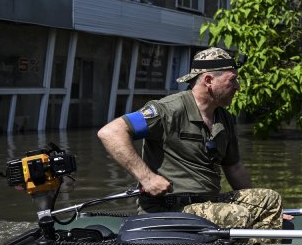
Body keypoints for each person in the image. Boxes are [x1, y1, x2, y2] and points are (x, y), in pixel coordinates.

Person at [97, 47, 283, 230]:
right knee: (236, 215)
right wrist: (147, 178)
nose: (237, 87)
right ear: (209, 80)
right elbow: (111, 132)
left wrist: (262, 210)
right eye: (232, 80)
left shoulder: (224, 117)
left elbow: (233, 167)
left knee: (269, 200)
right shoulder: (167, 110)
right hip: (170, 208)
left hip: (208, 202)